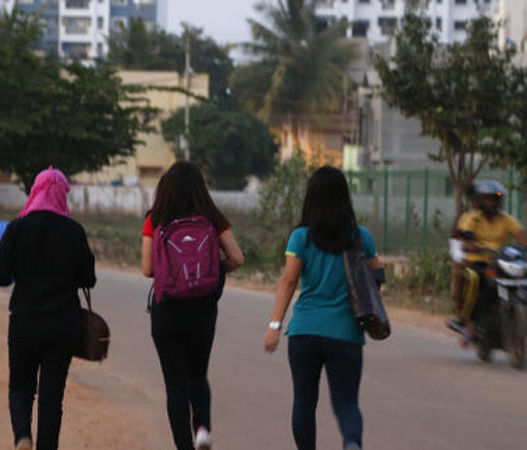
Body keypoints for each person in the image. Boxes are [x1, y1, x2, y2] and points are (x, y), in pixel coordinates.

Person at [263, 166, 383, 450]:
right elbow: (378, 277)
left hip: (304, 332)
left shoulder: (300, 237)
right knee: (346, 403)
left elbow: (289, 280)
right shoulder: (361, 237)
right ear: (345, 197)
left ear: (311, 197)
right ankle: (351, 443)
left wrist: (274, 326)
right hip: (346, 333)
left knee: (304, 402)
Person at [141, 161, 244, 450]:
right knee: (198, 374)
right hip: (202, 311)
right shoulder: (211, 217)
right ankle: (202, 429)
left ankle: (184, 446)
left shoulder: (155, 217)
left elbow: (148, 269)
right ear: (201, 188)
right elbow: (238, 258)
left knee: (175, 385)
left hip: (167, 310)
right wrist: (212, 271)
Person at [0, 167, 96, 450]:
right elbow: (89, 279)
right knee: (52, 398)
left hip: (25, 322)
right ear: (63, 194)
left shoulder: (16, 228)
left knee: (21, 387)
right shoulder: (74, 231)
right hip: (63, 326)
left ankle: (23, 437)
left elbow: (0, 276)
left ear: (35, 191)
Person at [451, 180, 527, 344]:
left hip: (502, 262)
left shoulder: (507, 219)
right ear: (481, 200)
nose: (491, 202)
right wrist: (471, 246)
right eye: (488, 199)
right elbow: (462, 238)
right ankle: (468, 321)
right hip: (478, 262)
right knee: (474, 280)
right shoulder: (471, 218)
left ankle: (525, 318)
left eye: (495, 199)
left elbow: (523, 239)